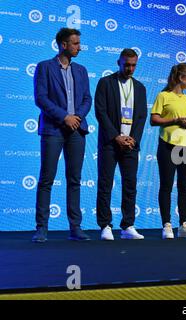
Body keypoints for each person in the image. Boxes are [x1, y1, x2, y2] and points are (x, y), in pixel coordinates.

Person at [32, 28, 92, 242]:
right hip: (53, 129)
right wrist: (64, 117)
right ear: (63, 45)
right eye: (75, 43)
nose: (79, 47)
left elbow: (87, 98)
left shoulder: (82, 70)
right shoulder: (44, 67)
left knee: (74, 179)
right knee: (46, 179)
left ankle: (75, 227)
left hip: (77, 130)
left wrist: (76, 117)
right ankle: (41, 228)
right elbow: (41, 98)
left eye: (79, 43)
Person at [94, 49, 148, 240]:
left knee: (130, 184)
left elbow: (142, 116)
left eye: (133, 65)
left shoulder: (140, 88)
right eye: (126, 65)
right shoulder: (105, 83)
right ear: (119, 62)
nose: (130, 68)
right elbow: (100, 112)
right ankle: (105, 225)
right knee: (105, 183)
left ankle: (127, 225)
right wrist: (116, 136)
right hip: (110, 143)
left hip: (131, 144)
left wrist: (133, 138)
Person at [151, 63, 186, 239]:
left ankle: (184, 225)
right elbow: (154, 119)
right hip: (167, 145)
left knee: (184, 187)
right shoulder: (163, 96)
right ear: (181, 78)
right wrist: (174, 120)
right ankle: (167, 225)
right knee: (166, 186)